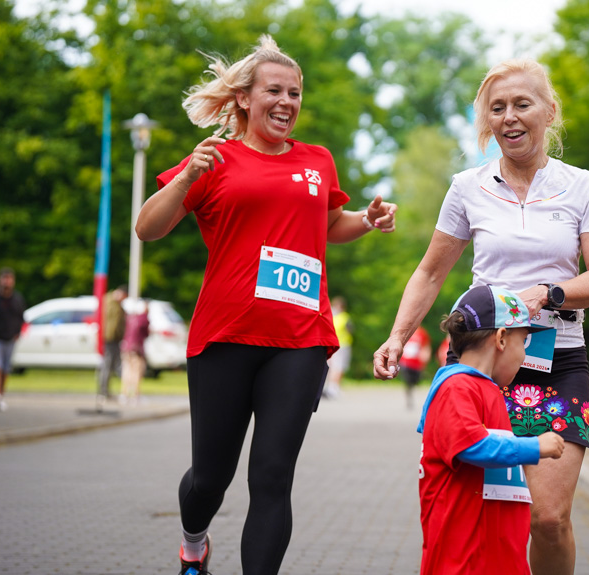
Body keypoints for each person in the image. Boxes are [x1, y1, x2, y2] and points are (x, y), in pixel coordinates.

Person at [135, 35, 397, 575]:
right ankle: (193, 541)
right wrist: (186, 175)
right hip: (225, 335)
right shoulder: (214, 159)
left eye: (295, 93)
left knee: (273, 476)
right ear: (245, 100)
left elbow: (327, 226)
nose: (286, 102)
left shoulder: (317, 161)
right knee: (210, 476)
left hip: (300, 338)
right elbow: (147, 228)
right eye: (274, 91)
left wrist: (367, 221)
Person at [374, 59, 589, 575]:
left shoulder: (584, 186)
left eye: (522, 104)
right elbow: (431, 272)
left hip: (557, 360)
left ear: (549, 112)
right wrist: (397, 336)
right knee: (481, 513)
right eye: (497, 108)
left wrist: (546, 294)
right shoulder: (467, 186)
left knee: (548, 519)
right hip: (479, 363)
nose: (509, 117)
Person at [418, 285, 565, 575]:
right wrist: (535, 447)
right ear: (500, 338)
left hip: (496, 554)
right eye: (523, 342)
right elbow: (471, 445)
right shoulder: (457, 388)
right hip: (464, 558)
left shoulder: (486, 389)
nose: (525, 355)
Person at [0, 268, 26, 412]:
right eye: (4, 278)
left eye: (9, 279)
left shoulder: (17, 299)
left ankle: (1, 395)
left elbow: (21, 318)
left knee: (6, 369)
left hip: (10, 339)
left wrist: (18, 332)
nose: (7, 282)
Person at [98, 285, 127, 404]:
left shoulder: (119, 306)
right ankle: (103, 391)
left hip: (115, 339)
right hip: (107, 338)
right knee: (107, 364)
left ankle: (107, 391)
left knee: (113, 365)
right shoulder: (108, 301)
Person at [119, 300, 149, 405]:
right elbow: (146, 333)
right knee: (136, 372)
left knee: (126, 371)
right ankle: (135, 395)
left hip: (126, 346)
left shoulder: (129, 318)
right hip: (136, 348)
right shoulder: (143, 319)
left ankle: (124, 394)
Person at [323, 296, 352, 399]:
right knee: (339, 367)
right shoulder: (344, 317)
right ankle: (334, 388)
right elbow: (350, 330)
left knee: (332, 367)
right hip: (343, 345)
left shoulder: (330, 316)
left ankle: (332, 387)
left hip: (331, 344)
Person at [400, 324, 432, 409]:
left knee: (415, 379)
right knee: (407, 380)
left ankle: (414, 385)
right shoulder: (405, 332)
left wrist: (425, 356)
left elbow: (426, 346)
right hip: (406, 361)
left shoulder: (422, 333)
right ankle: (409, 397)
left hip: (417, 362)